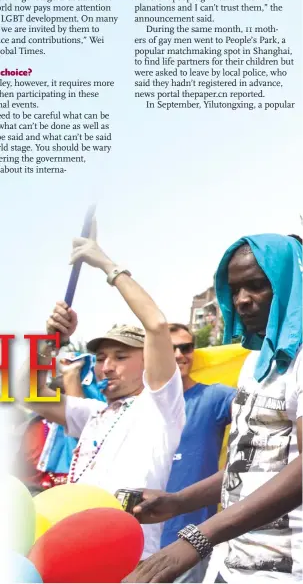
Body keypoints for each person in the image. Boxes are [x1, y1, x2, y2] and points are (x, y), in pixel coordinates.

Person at [126, 234, 302, 583]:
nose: (242, 300)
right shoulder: (254, 365)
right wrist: (178, 502)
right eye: (235, 290)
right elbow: (252, 464)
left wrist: (197, 538)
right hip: (234, 563)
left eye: (256, 286)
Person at [16, 221, 185, 560]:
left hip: (127, 557)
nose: (107, 367)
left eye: (121, 357)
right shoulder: (92, 412)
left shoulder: (159, 406)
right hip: (70, 549)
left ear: (148, 361)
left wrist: (105, 264)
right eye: (102, 358)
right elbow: (18, 391)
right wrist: (51, 341)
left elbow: (155, 323)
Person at [160, 323, 235, 583]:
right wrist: (45, 342)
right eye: (171, 349)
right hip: (132, 544)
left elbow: (271, 410)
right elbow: (37, 398)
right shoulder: (132, 405)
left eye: (187, 347)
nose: (180, 354)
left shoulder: (214, 397)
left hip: (187, 547)